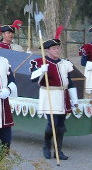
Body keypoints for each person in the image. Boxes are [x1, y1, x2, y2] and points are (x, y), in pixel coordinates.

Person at [30, 27, 80, 160]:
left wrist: (74, 99)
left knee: (61, 125)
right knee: (53, 123)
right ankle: (46, 144)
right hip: (49, 95)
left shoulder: (65, 63)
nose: (56, 50)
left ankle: (58, 150)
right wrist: (41, 70)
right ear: (48, 50)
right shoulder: (41, 62)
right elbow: (33, 79)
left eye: (58, 48)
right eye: (53, 48)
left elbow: (70, 82)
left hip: (63, 96)